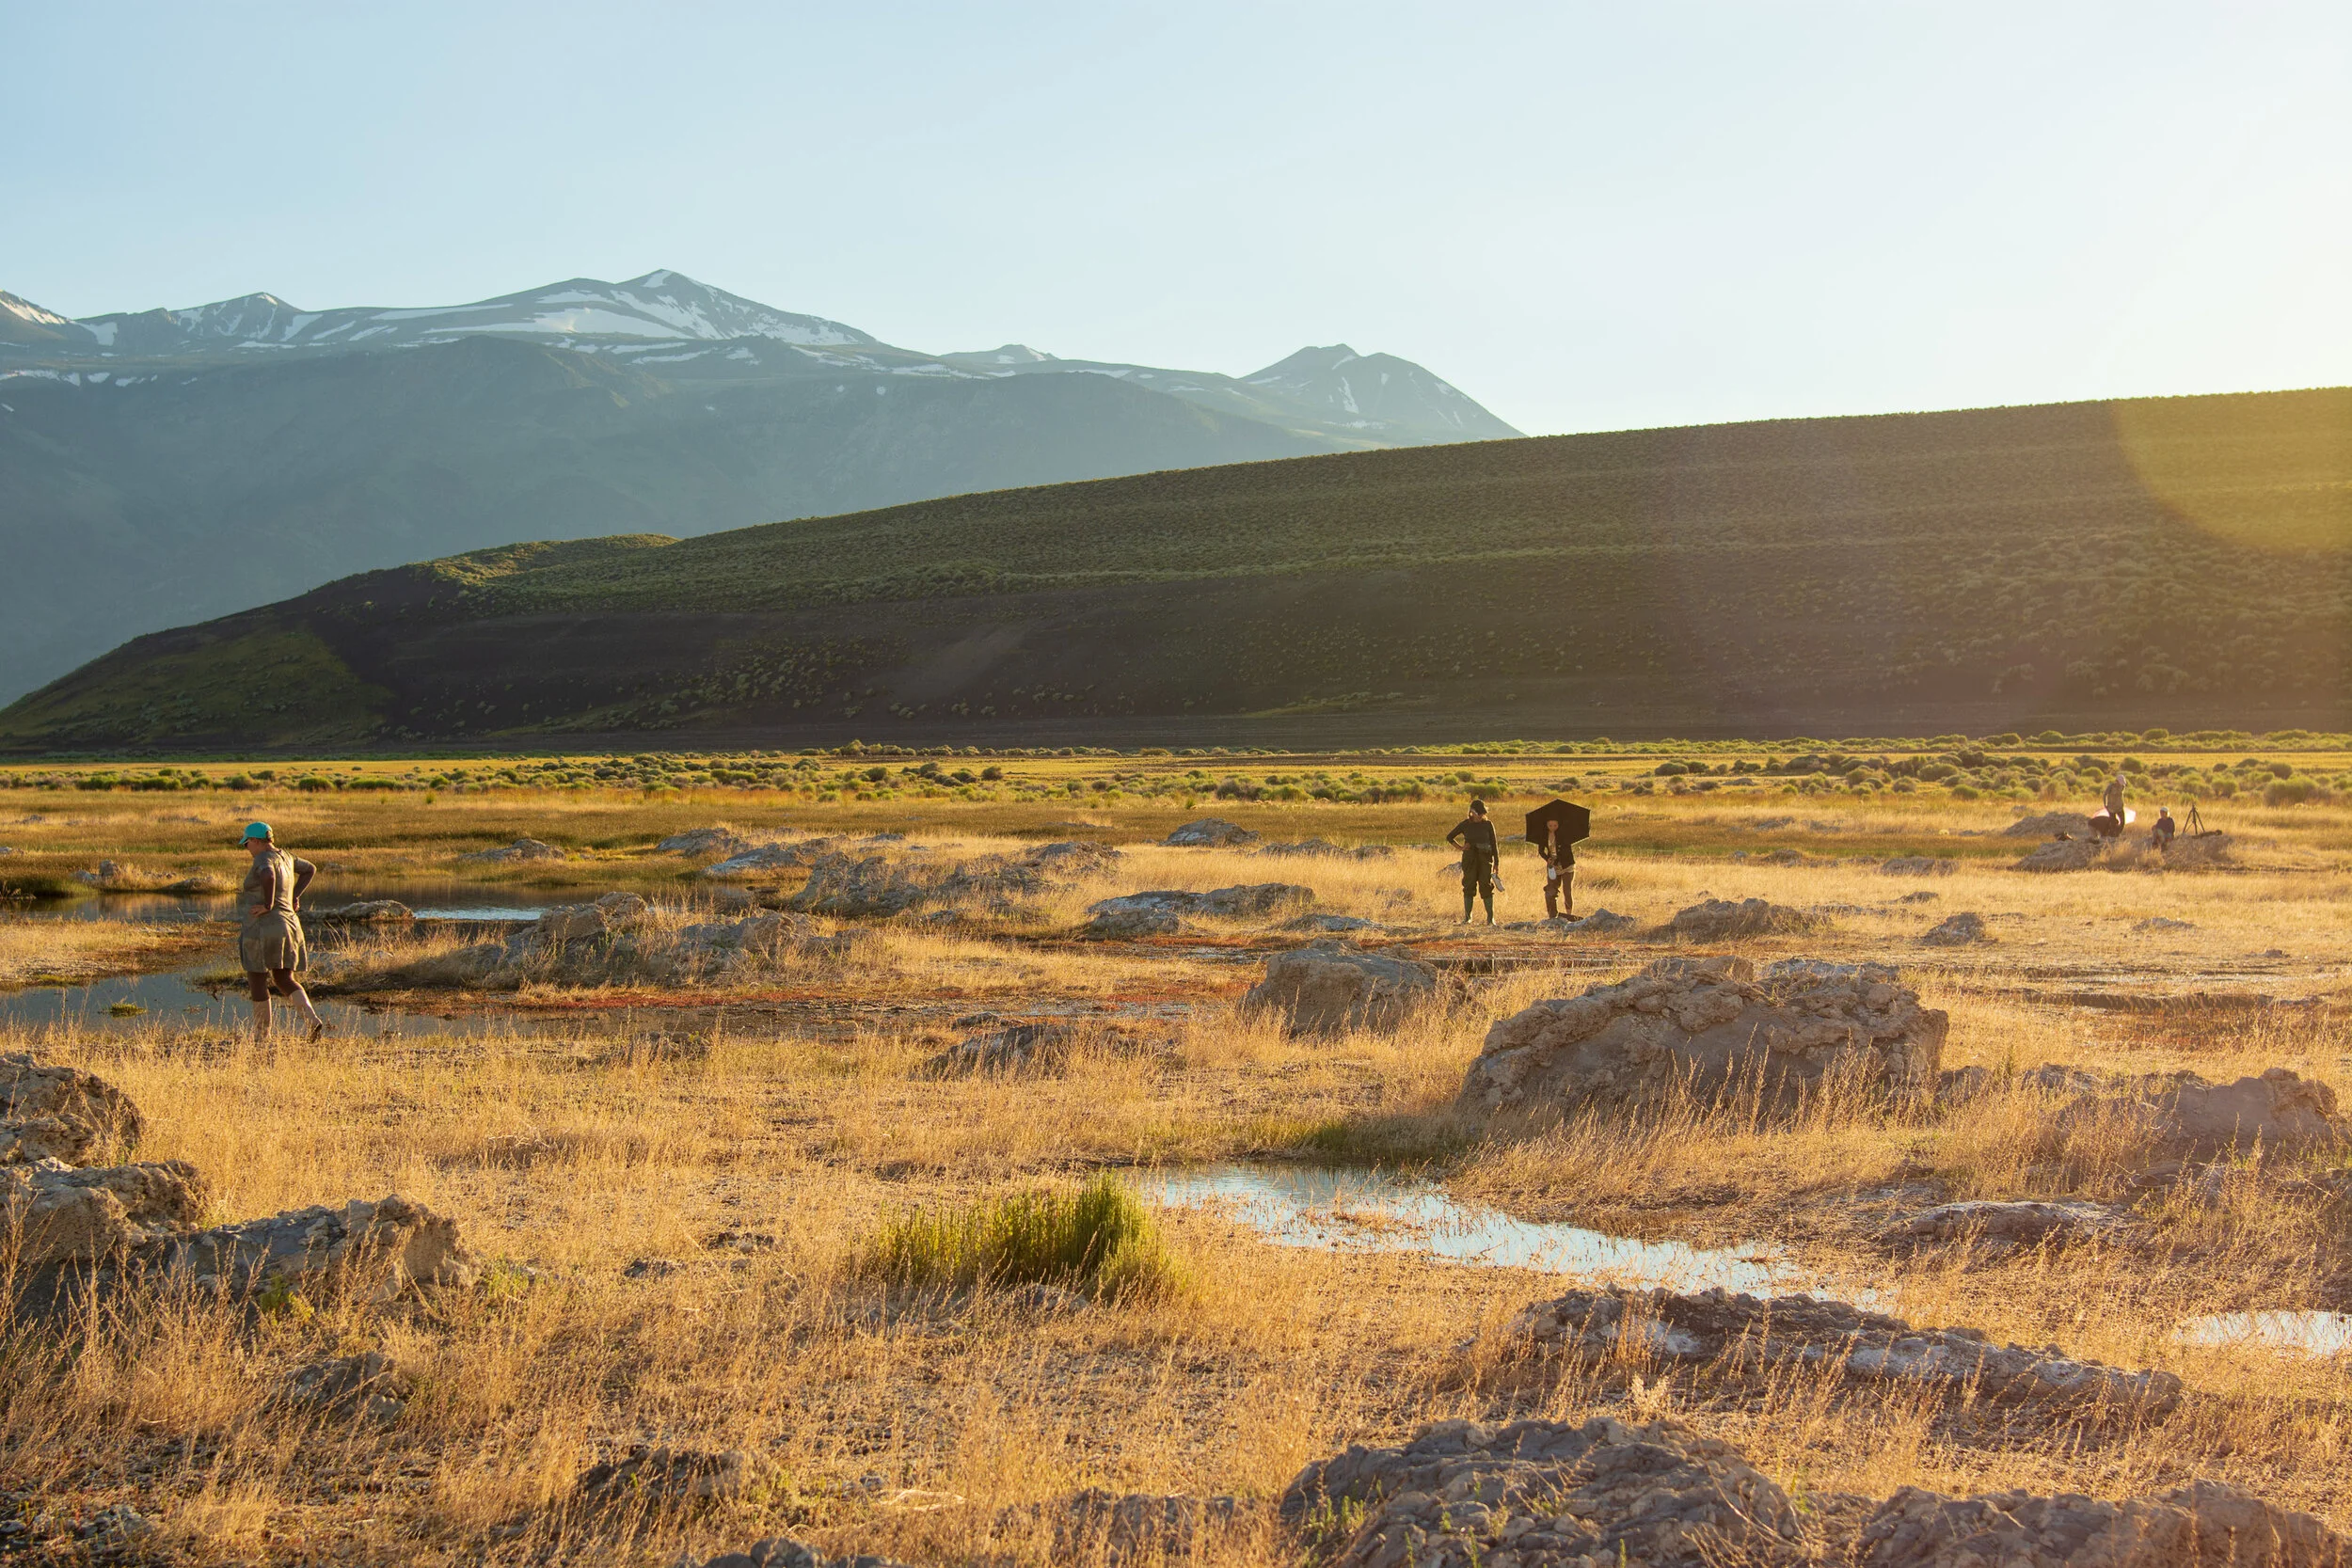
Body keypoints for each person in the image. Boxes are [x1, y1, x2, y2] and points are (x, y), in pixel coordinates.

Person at [237, 822, 327, 1042]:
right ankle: (311, 1019)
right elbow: (310, 869)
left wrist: (268, 905)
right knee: (284, 977)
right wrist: (294, 896)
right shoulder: (286, 856)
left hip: (263, 927)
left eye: (247, 843)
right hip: (290, 925)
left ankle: (261, 1035)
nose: (247, 848)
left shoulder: (263, 859)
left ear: (257, 841)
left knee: (257, 977)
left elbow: (268, 875)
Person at [1447, 800, 1501, 924]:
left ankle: (1490, 918)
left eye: (1482, 813)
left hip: (1485, 859)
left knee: (1486, 886)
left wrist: (1496, 863)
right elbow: (1450, 837)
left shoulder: (1488, 825)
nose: (1481, 815)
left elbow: (1494, 844)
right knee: (1469, 885)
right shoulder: (1465, 824)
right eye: (1479, 813)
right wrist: (1461, 848)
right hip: (1470, 859)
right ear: (1472, 812)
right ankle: (1468, 918)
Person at [1541, 817, 1575, 920]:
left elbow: (1565, 850)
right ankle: (1552, 915)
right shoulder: (1543, 835)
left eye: (1555, 825)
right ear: (1547, 825)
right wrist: (1547, 859)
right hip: (1553, 866)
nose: (1553, 828)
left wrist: (1557, 860)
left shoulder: (1564, 834)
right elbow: (1541, 850)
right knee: (1551, 890)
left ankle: (1569, 915)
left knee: (1567, 890)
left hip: (1566, 865)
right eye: (1550, 826)